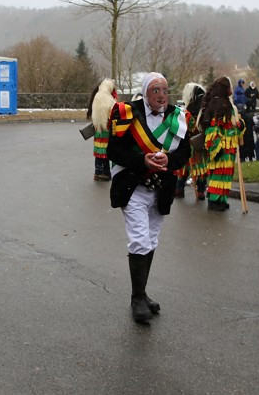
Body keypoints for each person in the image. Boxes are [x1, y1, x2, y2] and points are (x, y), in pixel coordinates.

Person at [107, 73, 191, 324]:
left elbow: (185, 151)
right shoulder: (127, 113)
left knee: (151, 239)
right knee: (140, 239)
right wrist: (141, 160)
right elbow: (113, 150)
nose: (162, 95)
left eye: (165, 89)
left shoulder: (178, 117)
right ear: (145, 93)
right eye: (156, 90)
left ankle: (142, 294)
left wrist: (170, 160)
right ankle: (136, 299)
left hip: (161, 188)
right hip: (133, 187)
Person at [198, 77, 244, 212]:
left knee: (226, 174)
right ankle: (213, 200)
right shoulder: (219, 104)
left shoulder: (225, 103)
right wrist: (217, 145)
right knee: (218, 173)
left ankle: (221, 199)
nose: (232, 89)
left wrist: (239, 126)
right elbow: (215, 127)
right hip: (222, 147)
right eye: (230, 86)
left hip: (228, 147)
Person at [86, 78, 118, 181]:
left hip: (98, 129)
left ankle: (98, 172)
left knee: (99, 152)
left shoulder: (97, 96)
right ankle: (105, 172)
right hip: (107, 129)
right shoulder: (109, 99)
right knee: (106, 151)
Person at [181, 82, 208, 200]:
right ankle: (201, 190)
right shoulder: (204, 106)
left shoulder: (192, 109)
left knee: (185, 166)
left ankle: (179, 188)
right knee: (199, 167)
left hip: (192, 141)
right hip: (199, 142)